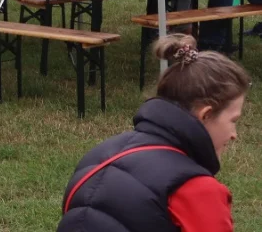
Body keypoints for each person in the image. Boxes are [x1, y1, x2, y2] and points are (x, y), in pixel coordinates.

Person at [57, 34, 248, 231]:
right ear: (206, 115)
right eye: (233, 121)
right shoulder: (196, 188)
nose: (234, 134)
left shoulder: (97, 157)